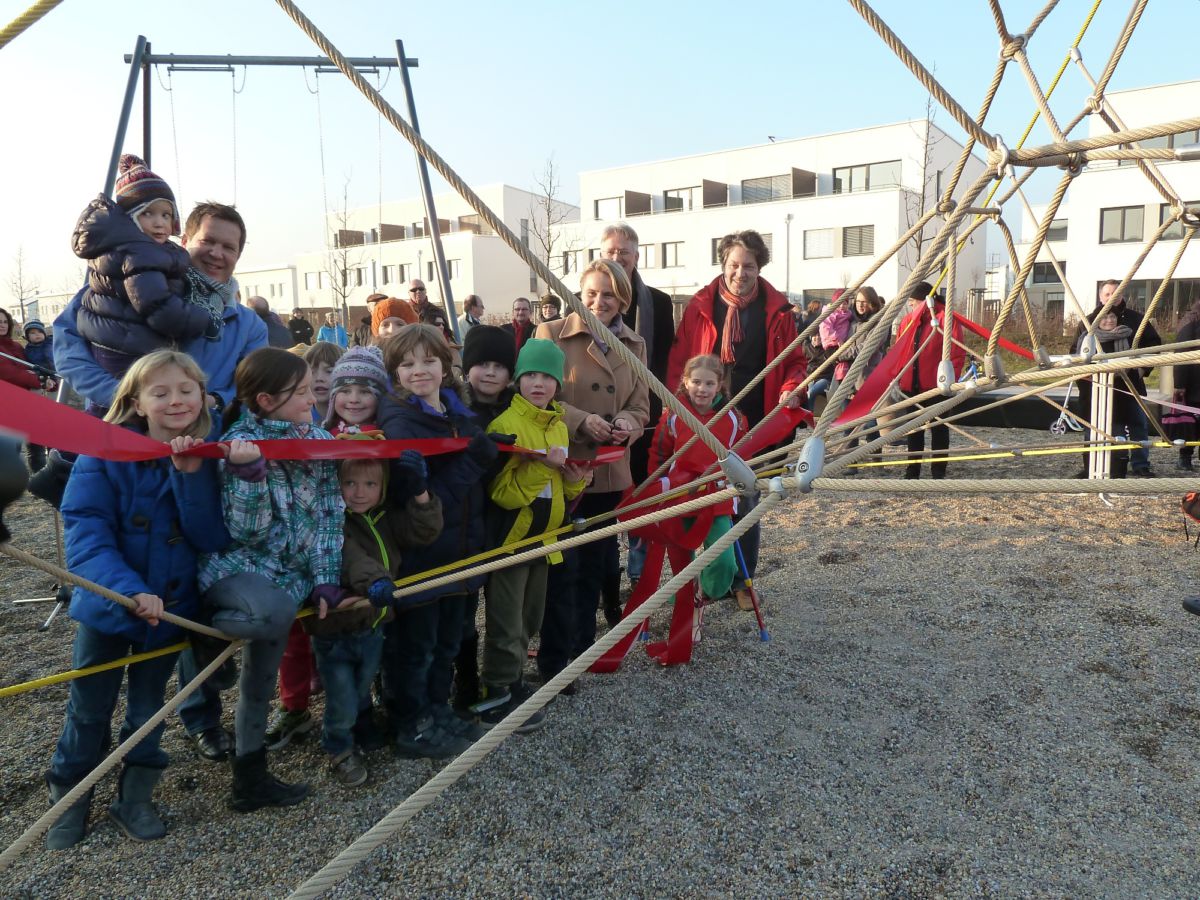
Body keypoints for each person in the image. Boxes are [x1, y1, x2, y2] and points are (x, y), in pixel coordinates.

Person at [44, 350, 229, 849]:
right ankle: (70, 797)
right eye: (161, 392)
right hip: (109, 607)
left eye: (186, 390)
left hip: (169, 612)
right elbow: (86, 532)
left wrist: (190, 476)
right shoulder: (102, 453)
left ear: (202, 397)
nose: (176, 401)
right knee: (88, 707)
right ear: (136, 402)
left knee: (149, 709)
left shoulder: (209, 457)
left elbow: (211, 537)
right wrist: (127, 590)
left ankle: (136, 795)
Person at [197, 346, 345, 811]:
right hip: (241, 571)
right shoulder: (240, 444)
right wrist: (249, 477)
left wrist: (325, 577)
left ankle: (250, 774)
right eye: (299, 391)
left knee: (261, 677)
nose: (311, 396)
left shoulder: (315, 437)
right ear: (265, 400)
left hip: (290, 579)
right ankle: (203, 633)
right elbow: (248, 532)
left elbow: (329, 514)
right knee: (275, 614)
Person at [376, 324, 502, 758]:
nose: (419, 370)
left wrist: (490, 456)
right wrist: (474, 461)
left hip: (464, 549)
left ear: (446, 365)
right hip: (425, 554)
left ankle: (437, 707)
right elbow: (425, 502)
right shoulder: (399, 423)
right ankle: (411, 721)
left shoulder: (457, 412)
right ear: (394, 372)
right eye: (407, 363)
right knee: (418, 645)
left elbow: (471, 481)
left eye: (428, 360)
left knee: (450, 639)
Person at [666, 229, 806, 609]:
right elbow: (680, 358)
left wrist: (791, 387)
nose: (740, 273)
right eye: (733, 265)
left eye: (749, 266)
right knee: (701, 496)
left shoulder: (775, 310)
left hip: (757, 420)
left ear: (760, 267)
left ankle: (744, 579)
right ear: (722, 265)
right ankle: (706, 576)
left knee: (746, 498)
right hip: (706, 416)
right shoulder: (700, 306)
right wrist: (674, 406)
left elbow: (794, 360)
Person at [534, 259, 649, 687]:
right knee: (562, 565)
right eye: (591, 294)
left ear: (623, 298)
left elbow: (641, 404)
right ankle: (555, 659)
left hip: (608, 472)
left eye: (608, 295)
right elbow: (536, 395)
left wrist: (629, 425)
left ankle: (584, 652)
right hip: (561, 468)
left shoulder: (634, 345)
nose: (599, 302)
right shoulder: (550, 334)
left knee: (599, 564)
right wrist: (582, 419)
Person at [54, 201, 268, 416]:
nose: (216, 253)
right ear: (184, 241)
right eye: (207, 241)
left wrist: (218, 400)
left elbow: (253, 385)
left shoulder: (249, 326)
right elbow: (69, 351)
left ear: (238, 256)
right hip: (120, 432)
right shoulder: (114, 287)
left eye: (228, 247)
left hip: (202, 441)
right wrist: (126, 399)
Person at [474, 339, 588, 730]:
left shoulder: (557, 424)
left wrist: (575, 482)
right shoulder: (504, 426)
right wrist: (542, 468)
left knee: (529, 617)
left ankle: (515, 680)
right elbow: (502, 495)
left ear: (559, 384)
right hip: (512, 543)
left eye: (547, 376)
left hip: (544, 540)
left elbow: (556, 491)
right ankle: (497, 691)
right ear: (518, 379)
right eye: (530, 375)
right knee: (505, 620)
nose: (538, 383)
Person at [312, 452, 443, 786]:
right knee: (341, 694)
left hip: (373, 623)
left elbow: (424, 531)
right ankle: (339, 747)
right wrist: (377, 583)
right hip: (335, 629)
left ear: (383, 487)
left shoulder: (382, 517)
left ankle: (364, 722)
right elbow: (350, 557)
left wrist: (420, 493)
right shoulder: (332, 521)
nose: (358, 492)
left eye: (370, 484)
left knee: (363, 681)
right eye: (349, 483)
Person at [70, 154, 213, 378]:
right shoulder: (140, 253)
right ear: (130, 217)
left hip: (117, 338)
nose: (159, 222)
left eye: (166, 215)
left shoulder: (132, 247)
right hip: (126, 348)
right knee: (130, 404)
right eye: (148, 213)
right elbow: (157, 306)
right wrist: (202, 318)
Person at [600, 223, 677, 596]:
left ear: (636, 256)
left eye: (624, 252)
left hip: (642, 413)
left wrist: (647, 409)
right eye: (611, 251)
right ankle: (603, 574)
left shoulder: (659, 303)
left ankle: (638, 571)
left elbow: (662, 359)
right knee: (600, 495)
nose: (617, 258)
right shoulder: (584, 299)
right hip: (596, 414)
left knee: (640, 492)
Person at [454, 324, 517, 710]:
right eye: (482, 364)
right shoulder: (454, 410)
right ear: (467, 369)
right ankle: (463, 681)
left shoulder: (517, 408)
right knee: (463, 607)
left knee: (502, 603)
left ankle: (498, 676)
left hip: (505, 517)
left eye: (499, 365)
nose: (491, 372)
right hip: (464, 517)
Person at [648, 354, 747, 601]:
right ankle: (685, 597)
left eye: (709, 384)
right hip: (681, 494)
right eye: (696, 382)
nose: (702, 389)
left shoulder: (732, 417)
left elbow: (743, 454)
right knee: (682, 556)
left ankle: (707, 591)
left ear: (719, 385)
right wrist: (657, 488)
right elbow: (659, 454)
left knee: (723, 559)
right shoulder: (673, 414)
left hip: (717, 496)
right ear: (686, 381)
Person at [1075, 279, 1161, 477]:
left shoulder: (1136, 321)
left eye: (1116, 293)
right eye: (1108, 294)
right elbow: (1076, 353)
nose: (1112, 298)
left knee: (1138, 424)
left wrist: (1141, 369)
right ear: (1101, 296)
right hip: (1097, 388)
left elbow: (1154, 346)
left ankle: (1140, 465)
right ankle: (1094, 465)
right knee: (1095, 426)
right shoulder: (1088, 323)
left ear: (1122, 296)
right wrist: (1085, 377)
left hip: (1129, 386)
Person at [894, 283, 965, 480]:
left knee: (939, 430)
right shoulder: (907, 321)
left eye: (912, 302)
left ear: (924, 301)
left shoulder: (945, 319)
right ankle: (912, 470)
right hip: (911, 386)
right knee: (913, 430)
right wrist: (899, 377)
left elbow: (957, 353)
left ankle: (938, 472)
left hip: (937, 387)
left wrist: (951, 380)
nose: (910, 307)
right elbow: (900, 352)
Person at [1173, 298, 1200, 471]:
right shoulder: (1192, 321)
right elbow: (1182, 352)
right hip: (1195, 381)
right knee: (1190, 421)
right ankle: (1185, 456)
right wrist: (1180, 383)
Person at [303, 341, 345, 425]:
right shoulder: (298, 419)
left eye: (329, 371)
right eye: (312, 372)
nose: (319, 378)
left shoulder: (355, 418)